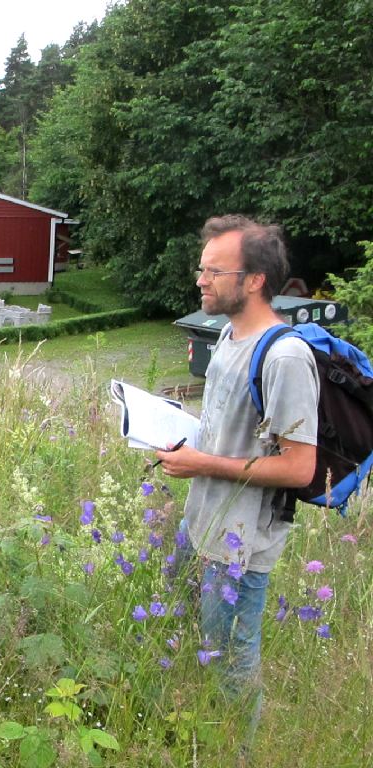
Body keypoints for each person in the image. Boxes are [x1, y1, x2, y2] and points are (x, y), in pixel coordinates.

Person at [154, 215, 319, 743]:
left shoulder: (286, 357)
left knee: (231, 662)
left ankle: (238, 752)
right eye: (201, 269)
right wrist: (174, 434)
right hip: (201, 522)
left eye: (214, 271)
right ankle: (196, 732)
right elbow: (227, 431)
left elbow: (300, 468)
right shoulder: (227, 334)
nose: (200, 280)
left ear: (254, 280)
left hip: (240, 544)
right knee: (190, 638)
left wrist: (202, 464)